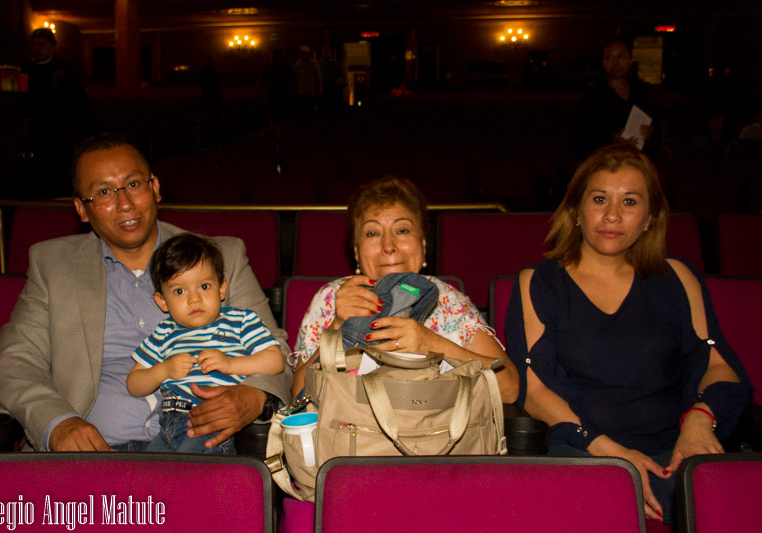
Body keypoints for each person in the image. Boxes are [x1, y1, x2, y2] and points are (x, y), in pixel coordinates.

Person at [0, 132, 292, 452]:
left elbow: (277, 352)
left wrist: (254, 397)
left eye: (134, 184)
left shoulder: (218, 258)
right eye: (103, 192)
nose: (125, 204)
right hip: (94, 457)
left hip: (200, 453)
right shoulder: (54, 266)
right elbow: (14, 365)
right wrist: (58, 424)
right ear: (81, 209)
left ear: (155, 188)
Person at [504, 143, 752, 524]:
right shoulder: (538, 282)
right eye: (599, 199)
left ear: (650, 218)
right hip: (583, 454)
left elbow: (718, 366)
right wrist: (613, 456)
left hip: (674, 453)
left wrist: (700, 420)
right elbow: (535, 391)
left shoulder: (677, 277)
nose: (613, 215)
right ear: (576, 211)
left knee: (722, 504)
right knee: (601, 504)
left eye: (630, 202)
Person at [291, 175, 519, 402]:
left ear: (423, 244)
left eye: (402, 230)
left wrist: (432, 344)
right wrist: (338, 326)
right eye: (373, 233)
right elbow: (298, 396)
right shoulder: (331, 299)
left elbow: (509, 388)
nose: (388, 246)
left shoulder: (449, 301)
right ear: (357, 252)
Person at [127, 233, 285, 454]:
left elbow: (275, 360)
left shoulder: (240, 320)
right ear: (162, 301)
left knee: (192, 471)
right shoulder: (164, 332)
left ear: (221, 288)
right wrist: (163, 370)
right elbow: (134, 384)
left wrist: (230, 365)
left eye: (204, 286)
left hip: (211, 420)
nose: (195, 299)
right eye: (179, 291)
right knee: (147, 471)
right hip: (167, 426)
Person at [22, 27, 92, 199]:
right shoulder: (25, 71)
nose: (37, 49)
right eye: (33, 45)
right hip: (34, 134)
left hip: (60, 136)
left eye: (42, 44)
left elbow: (78, 104)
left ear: (52, 46)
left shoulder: (65, 71)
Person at [579, 39, 657, 158]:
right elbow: (581, 139)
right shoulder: (593, 97)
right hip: (606, 160)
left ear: (630, 60)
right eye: (609, 58)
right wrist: (611, 140)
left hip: (638, 159)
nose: (615, 63)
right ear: (603, 63)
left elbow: (656, 129)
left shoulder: (642, 93)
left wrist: (650, 132)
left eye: (620, 56)